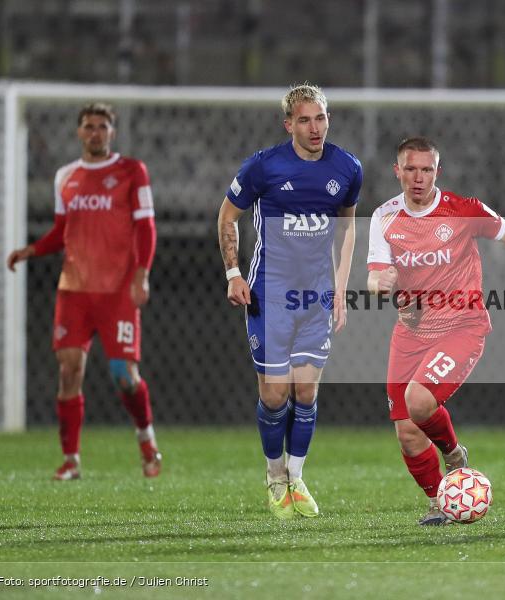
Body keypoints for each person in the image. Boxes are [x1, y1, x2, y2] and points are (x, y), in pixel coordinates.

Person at [367, 136, 505, 525]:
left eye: (427, 169)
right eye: (411, 169)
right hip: (410, 333)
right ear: (397, 171)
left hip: (462, 327)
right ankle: (440, 500)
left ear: (437, 171)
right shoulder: (383, 217)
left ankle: (454, 455)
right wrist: (381, 282)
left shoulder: (461, 210)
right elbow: (375, 277)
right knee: (406, 431)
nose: (418, 178)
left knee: (419, 401)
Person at [217, 83, 361, 520]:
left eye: (320, 118)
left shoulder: (347, 167)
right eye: (304, 120)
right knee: (276, 394)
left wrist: (340, 286)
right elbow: (228, 216)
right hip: (270, 295)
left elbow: (348, 228)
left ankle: (295, 479)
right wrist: (233, 273)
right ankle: (273, 474)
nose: (314, 127)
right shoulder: (265, 166)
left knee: (306, 389)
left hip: (315, 296)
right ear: (289, 124)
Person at [6, 102, 160, 481]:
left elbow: (145, 227)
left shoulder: (131, 171)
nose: (95, 132)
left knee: (123, 374)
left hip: (117, 291)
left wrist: (142, 274)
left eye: (102, 126)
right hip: (73, 291)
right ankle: (71, 460)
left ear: (112, 131)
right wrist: (33, 249)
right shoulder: (65, 177)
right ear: (79, 132)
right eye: (89, 126)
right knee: (69, 370)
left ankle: (146, 439)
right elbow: (63, 231)